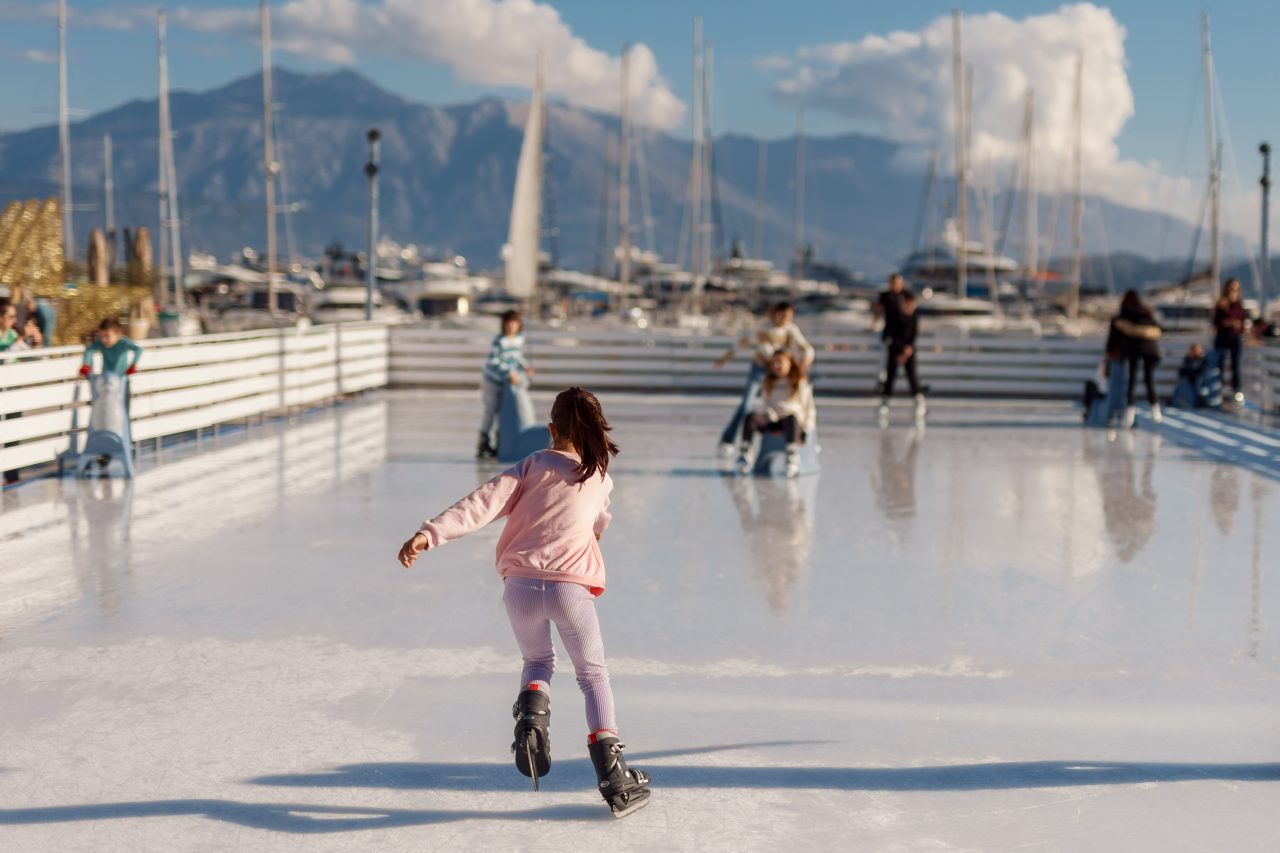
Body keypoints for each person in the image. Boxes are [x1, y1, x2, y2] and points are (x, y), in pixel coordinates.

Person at [396, 387, 651, 817]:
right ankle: (613, 773)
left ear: (550, 428)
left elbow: (480, 504)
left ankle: (532, 719)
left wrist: (429, 534)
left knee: (537, 661)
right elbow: (599, 519)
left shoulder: (531, 465)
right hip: (571, 590)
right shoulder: (600, 476)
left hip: (521, 588)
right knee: (591, 675)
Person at [713, 301, 815, 454]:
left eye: (789, 317)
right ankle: (729, 440)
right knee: (747, 404)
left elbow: (806, 349)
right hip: (762, 368)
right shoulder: (763, 328)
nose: (785, 320)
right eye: (783, 316)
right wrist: (725, 358)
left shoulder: (790, 329)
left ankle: (794, 436)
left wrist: (801, 366)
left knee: (791, 402)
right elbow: (744, 344)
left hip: (780, 369)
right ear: (775, 313)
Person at [736, 350, 816, 478]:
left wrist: (807, 430)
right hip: (773, 419)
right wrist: (769, 415)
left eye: (780, 362)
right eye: (773, 362)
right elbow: (765, 404)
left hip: (792, 423)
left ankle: (791, 457)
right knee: (751, 417)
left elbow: (809, 408)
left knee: (791, 417)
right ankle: (745, 453)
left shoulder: (800, 382)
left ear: (789, 363)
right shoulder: (768, 382)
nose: (775, 366)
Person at [477, 310, 532, 459]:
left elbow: (516, 356)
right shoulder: (499, 340)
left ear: (519, 325)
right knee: (491, 410)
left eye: (513, 323)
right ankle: (484, 441)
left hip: (505, 383)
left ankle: (501, 442)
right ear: (503, 325)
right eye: (507, 323)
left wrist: (525, 366)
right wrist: (509, 373)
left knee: (504, 412)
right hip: (492, 381)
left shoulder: (520, 339)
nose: (510, 326)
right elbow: (493, 362)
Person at [1106, 290, 1163, 426]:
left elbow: (1113, 338)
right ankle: (1155, 409)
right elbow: (1159, 329)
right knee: (1149, 379)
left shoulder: (1123, 316)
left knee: (1131, 381)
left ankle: (1129, 412)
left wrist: (1109, 351)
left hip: (1133, 350)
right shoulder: (1147, 314)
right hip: (1150, 350)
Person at [878, 290, 926, 421]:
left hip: (909, 352)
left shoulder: (915, 317)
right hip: (895, 350)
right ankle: (885, 403)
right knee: (890, 376)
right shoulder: (895, 316)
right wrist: (901, 349)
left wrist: (908, 349)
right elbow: (892, 334)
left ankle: (919, 403)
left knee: (912, 377)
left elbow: (914, 334)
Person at [1212, 277, 1248, 404]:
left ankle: (1236, 394)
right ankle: (1217, 393)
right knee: (1218, 366)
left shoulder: (1239, 305)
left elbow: (1244, 321)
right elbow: (1215, 322)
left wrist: (1239, 325)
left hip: (1235, 338)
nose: (1233, 290)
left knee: (1235, 365)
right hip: (1222, 337)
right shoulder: (1222, 304)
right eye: (1231, 288)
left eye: (1236, 288)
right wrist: (1227, 322)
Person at [872, 273, 907, 392]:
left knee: (903, 360)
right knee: (884, 358)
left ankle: (912, 387)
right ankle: (882, 381)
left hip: (903, 334)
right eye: (893, 283)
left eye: (898, 283)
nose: (896, 285)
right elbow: (878, 310)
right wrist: (874, 324)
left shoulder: (906, 295)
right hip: (889, 333)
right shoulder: (885, 296)